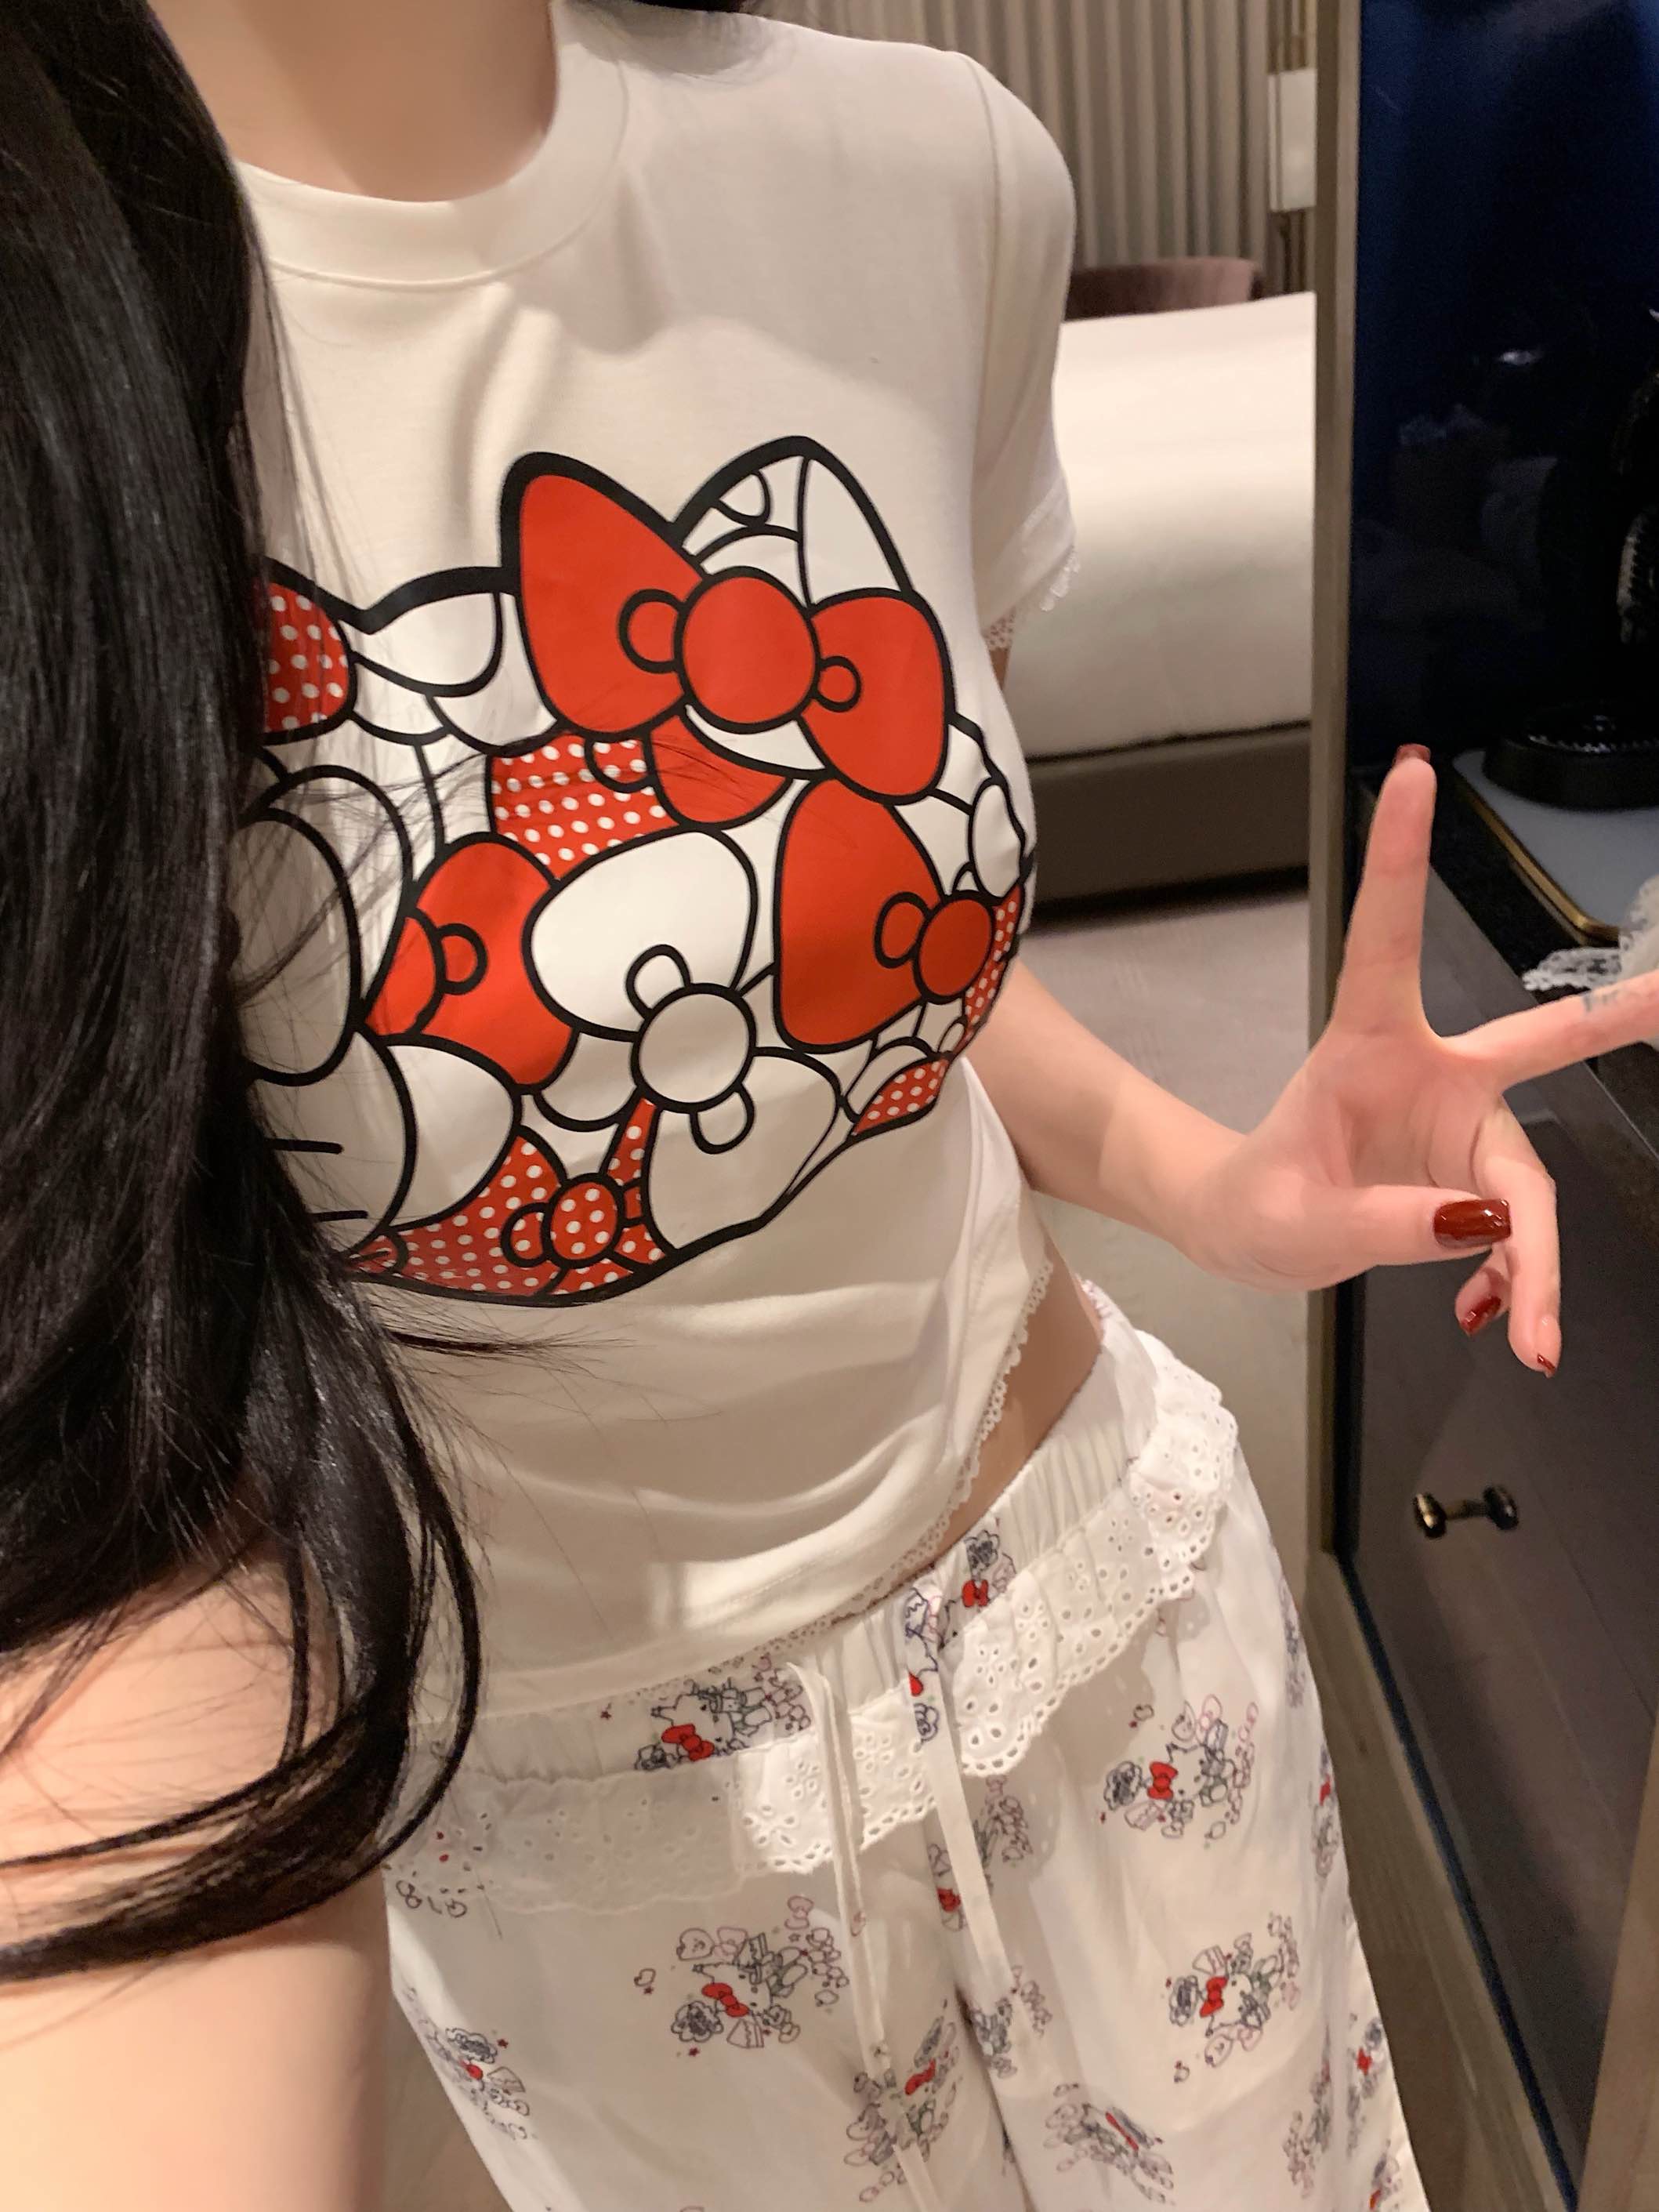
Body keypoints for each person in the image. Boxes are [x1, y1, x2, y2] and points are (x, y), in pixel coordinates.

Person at [2, 3, 1651, 2207]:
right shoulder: (61, 324)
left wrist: (1210, 1183)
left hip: (1091, 1605)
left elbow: (867, 956)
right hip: (589, 1838)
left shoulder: (927, 172)